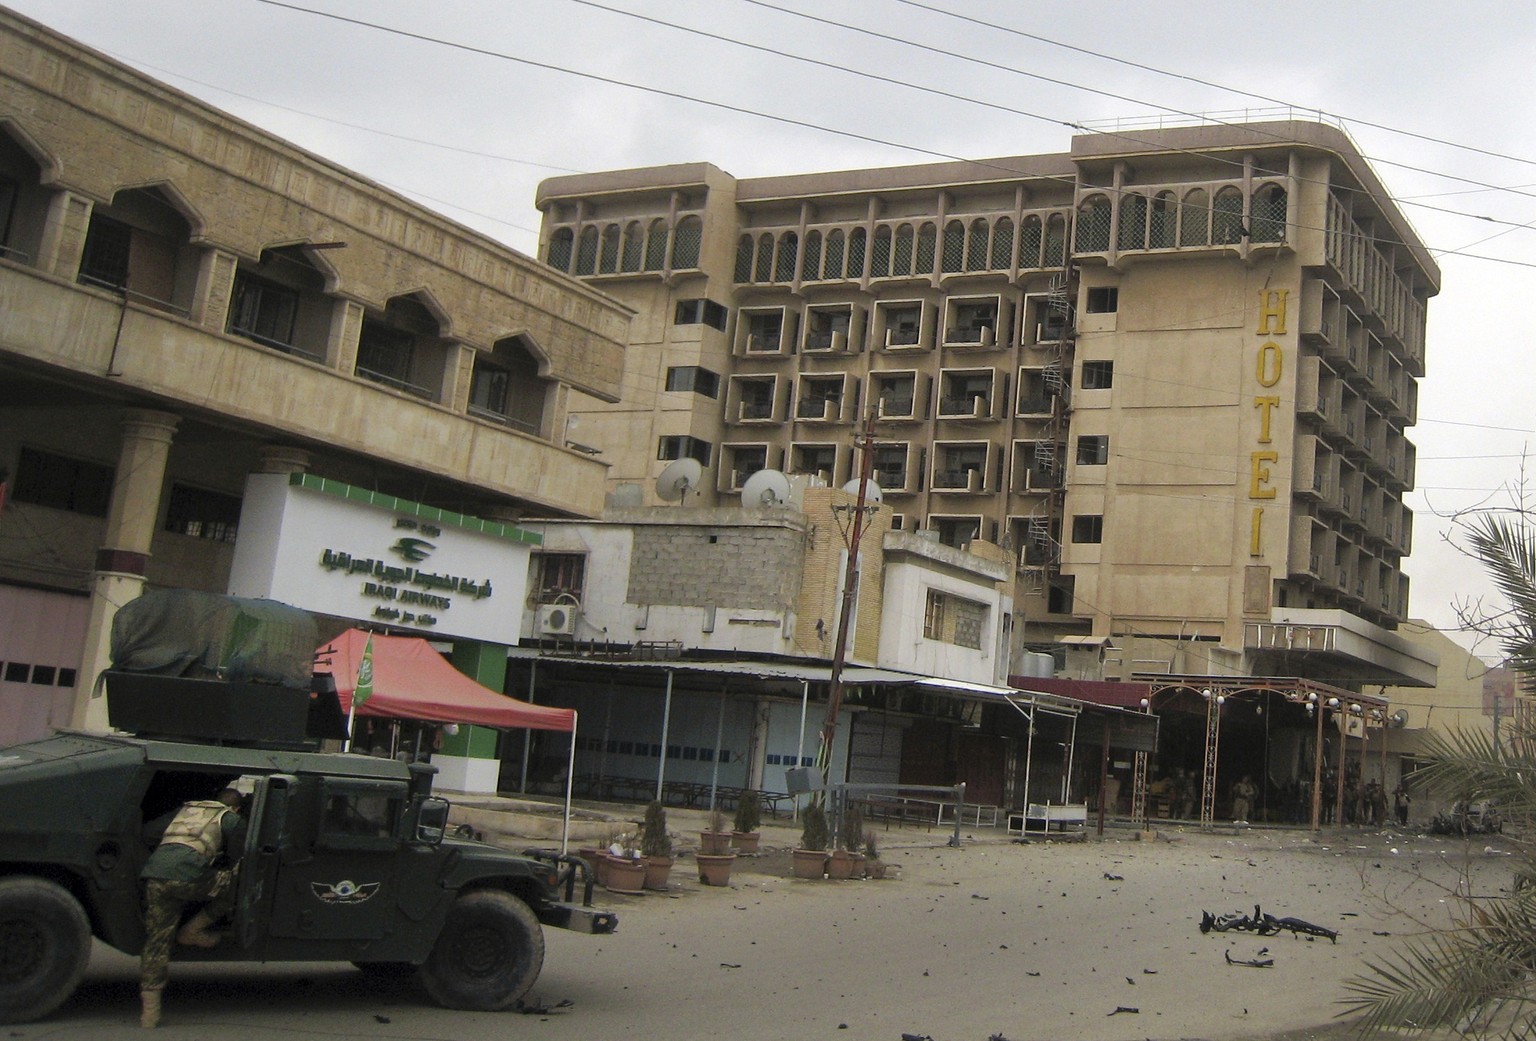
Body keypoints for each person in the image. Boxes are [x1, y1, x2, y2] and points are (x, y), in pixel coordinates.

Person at [139, 788, 246, 1029]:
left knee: (157, 941)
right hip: (190, 878)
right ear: (236, 808)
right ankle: (192, 932)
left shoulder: (184, 810)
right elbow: (238, 857)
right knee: (235, 886)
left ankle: (149, 1015)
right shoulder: (229, 819)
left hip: (156, 875)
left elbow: (147, 833)